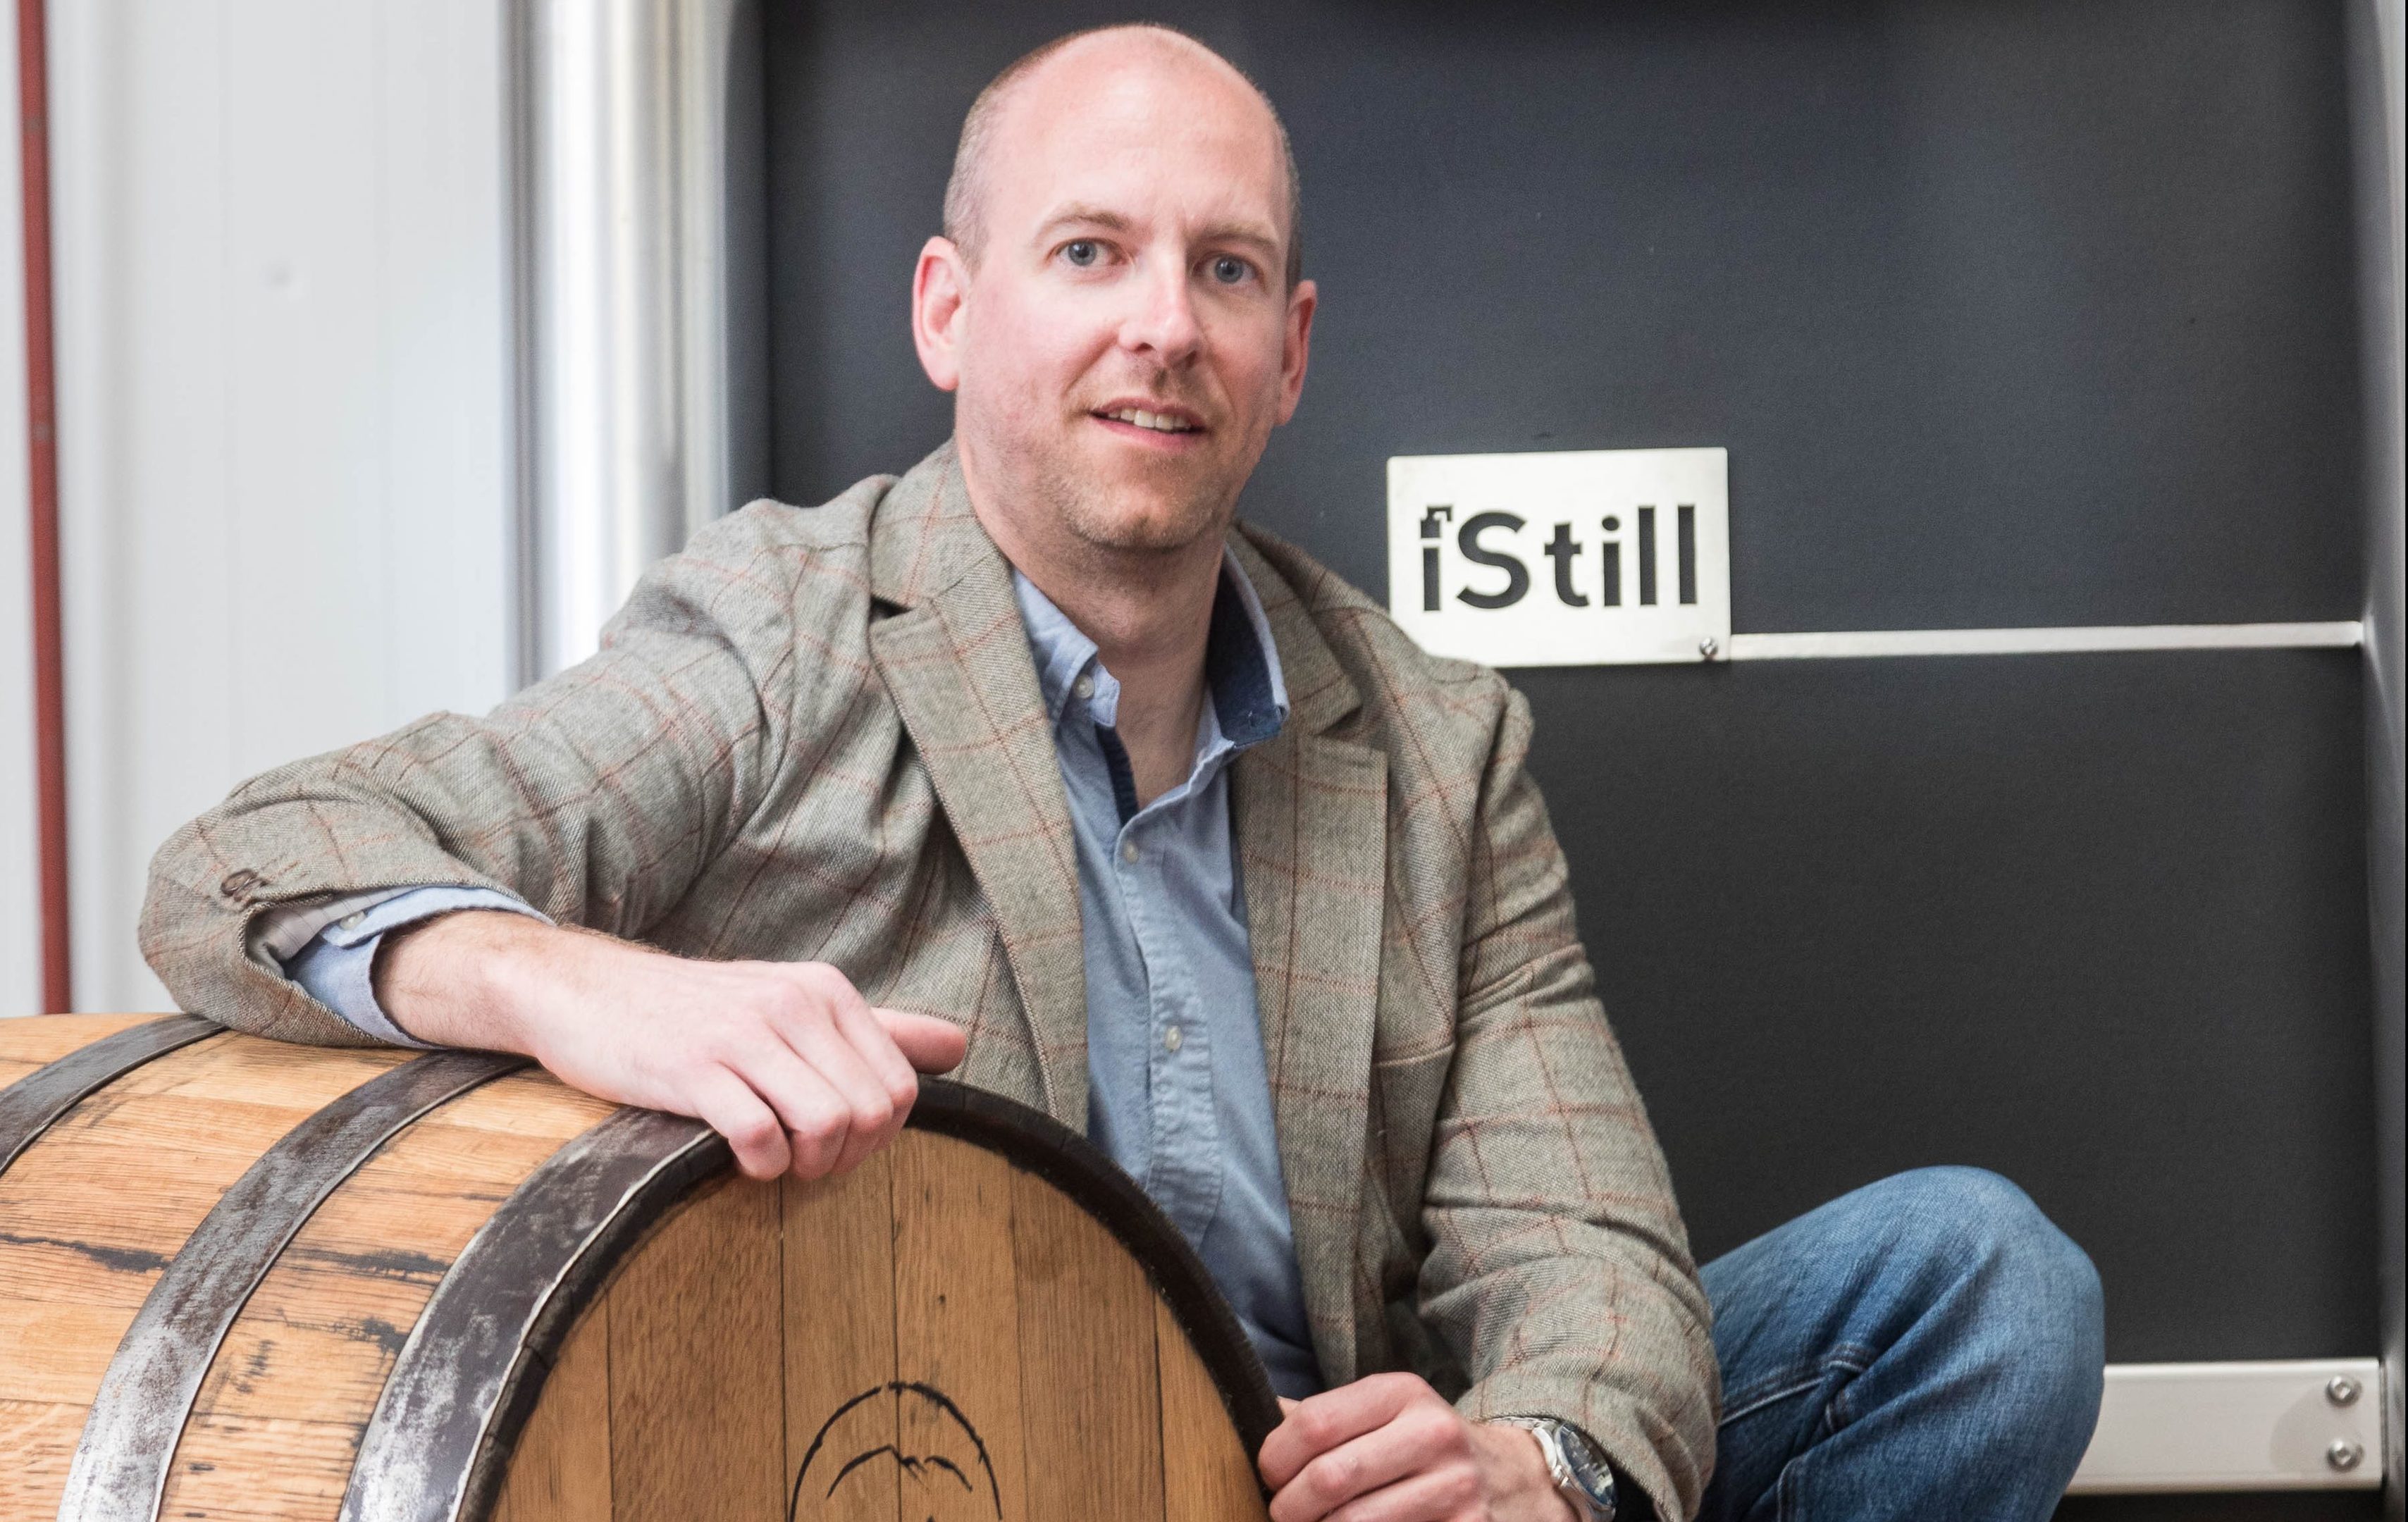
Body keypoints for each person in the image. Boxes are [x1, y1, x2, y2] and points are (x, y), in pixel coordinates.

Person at [142, 24, 2104, 1522]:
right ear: (949, 308)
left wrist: (1543, 1460)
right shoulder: (781, 630)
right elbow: (250, 860)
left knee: (1979, 1286)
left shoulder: (1433, 736)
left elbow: (1577, 1238)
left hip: (1306, 1490)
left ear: (1291, 349)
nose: (1161, 325)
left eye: (1224, 271)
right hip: (966, 1471)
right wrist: (578, 984)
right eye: (1090, 252)